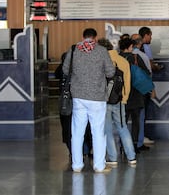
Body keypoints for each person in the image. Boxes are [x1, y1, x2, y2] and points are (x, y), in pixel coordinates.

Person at [62, 28, 115, 173]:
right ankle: (99, 166)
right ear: (95, 38)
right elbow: (111, 72)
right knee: (98, 132)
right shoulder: (101, 51)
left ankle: (77, 165)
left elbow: (65, 70)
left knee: (77, 132)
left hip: (78, 96)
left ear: (83, 37)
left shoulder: (73, 50)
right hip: (97, 97)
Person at [98, 38, 137, 167]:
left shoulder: (101, 61)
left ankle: (113, 158)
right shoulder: (123, 61)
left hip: (104, 101)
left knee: (107, 130)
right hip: (119, 101)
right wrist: (124, 98)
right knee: (122, 128)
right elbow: (127, 82)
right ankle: (131, 157)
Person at [55, 50, 94, 162]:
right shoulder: (83, 68)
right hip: (80, 101)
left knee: (68, 128)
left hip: (66, 103)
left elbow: (57, 75)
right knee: (84, 127)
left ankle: (75, 152)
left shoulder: (63, 69)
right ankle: (85, 150)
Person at [119, 38, 150, 153]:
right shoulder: (136, 58)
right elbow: (146, 73)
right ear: (131, 46)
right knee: (136, 121)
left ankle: (123, 145)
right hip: (136, 94)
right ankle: (134, 145)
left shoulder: (118, 58)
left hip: (122, 94)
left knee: (123, 121)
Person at [130, 33, 154, 152]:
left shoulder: (123, 55)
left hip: (127, 91)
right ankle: (138, 142)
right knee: (140, 117)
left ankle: (127, 144)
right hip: (140, 91)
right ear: (139, 43)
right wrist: (151, 89)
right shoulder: (142, 56)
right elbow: (148, 74)